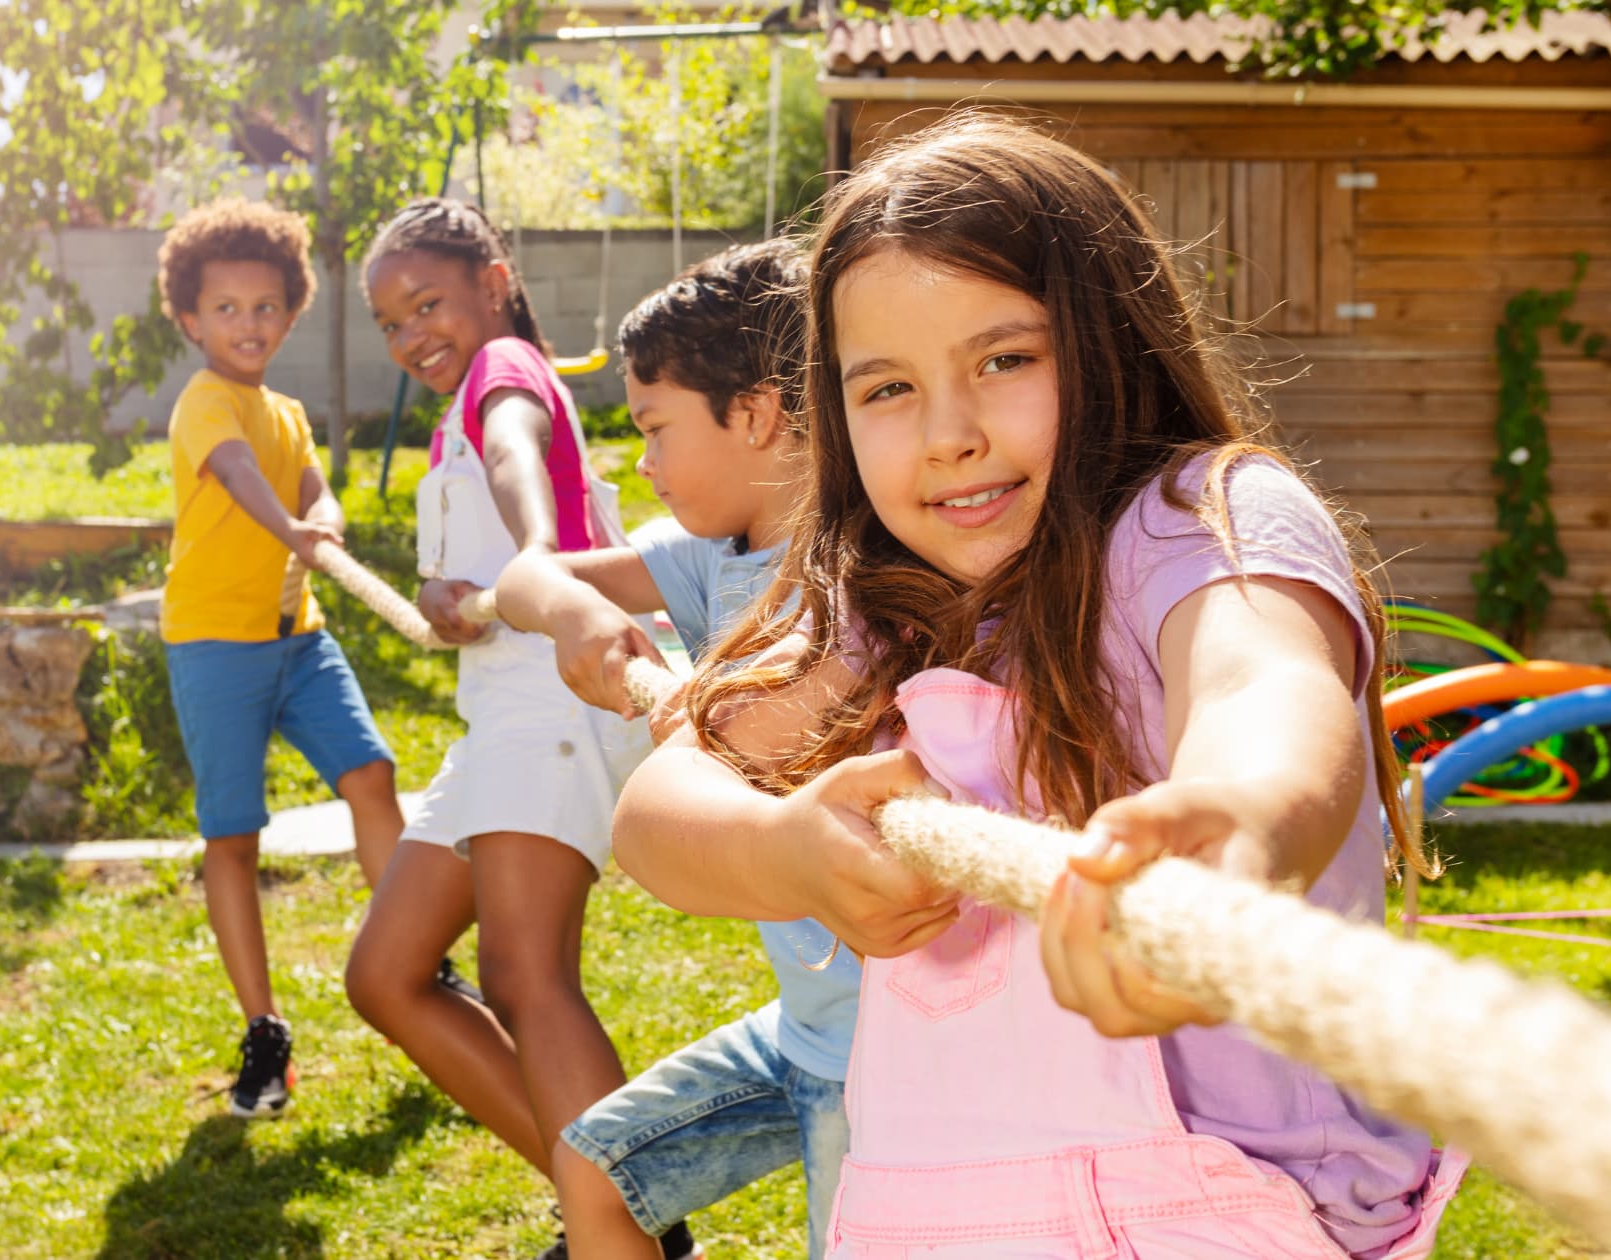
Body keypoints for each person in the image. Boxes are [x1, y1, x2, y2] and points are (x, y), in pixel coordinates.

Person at [613, 116, 1468, 1259]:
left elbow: (1261, 681)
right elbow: (659, 813)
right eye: (886, 388)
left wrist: (1239, 822)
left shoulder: (1200, 519)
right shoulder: (875, 603)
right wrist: (782, 848)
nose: (948, 436)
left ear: (1113, 346)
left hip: (1237, 1212)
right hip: (937, 1210)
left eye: (1004, 361)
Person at [491, 240, 857, 1260]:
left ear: (756, 413)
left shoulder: (864, 573)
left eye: (655, 428)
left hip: (883, 1056)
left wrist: (707, 708)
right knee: (596, 1169)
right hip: (805, 1028)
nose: (642, 463)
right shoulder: (714, 558)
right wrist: (572, 613)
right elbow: (525, 582)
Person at [342, 199, 691, 1259]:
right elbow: (479, 526)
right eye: (390, 323)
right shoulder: (454, 412)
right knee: (386, 973)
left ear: (493, 283)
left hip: (554, 698)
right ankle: (625, 1207)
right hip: (498, 714)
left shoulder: (504, 370)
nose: (411, 335)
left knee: (523, 977)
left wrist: (537, 552)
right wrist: (450, 594)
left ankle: (623, 1229)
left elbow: (516, 457)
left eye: (427, 304)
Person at [155, 197, 442, 1120]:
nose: (248, 325)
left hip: (299, 640)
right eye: (226, 309)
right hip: (213, 645)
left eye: (266, 307)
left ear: (290, 312)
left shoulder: (285, 411)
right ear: (191, 320)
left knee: (372, 773)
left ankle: (419, 960)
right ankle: (264, 1029)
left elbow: (316, 492)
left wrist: (325, 521)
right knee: (233, 836)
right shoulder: (205, 403)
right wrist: (291, 528)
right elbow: (240, 476)